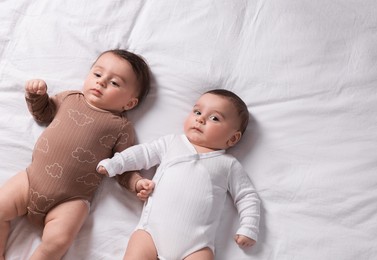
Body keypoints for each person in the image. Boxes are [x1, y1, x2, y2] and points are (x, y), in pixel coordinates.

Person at [0, 49, 155, 260]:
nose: (101, 82)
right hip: (31, 180)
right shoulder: (70, 98)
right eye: (98, 74)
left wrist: (137, 182)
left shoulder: (120, 127)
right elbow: (43, 114)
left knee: (58, 241)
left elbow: (123, 166)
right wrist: (36, 96)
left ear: (129, 103)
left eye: (115, 83)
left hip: (71, 200)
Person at [97, 89, 261, 260]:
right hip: (151, 233)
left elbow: (247, 196)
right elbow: (142, 154)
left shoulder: (228, 165)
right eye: (197, 112)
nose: (200, 119)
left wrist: (249, 227)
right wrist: (115, 163)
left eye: (215, 118)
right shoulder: (172, 143)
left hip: (196, 247)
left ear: (232, 139)